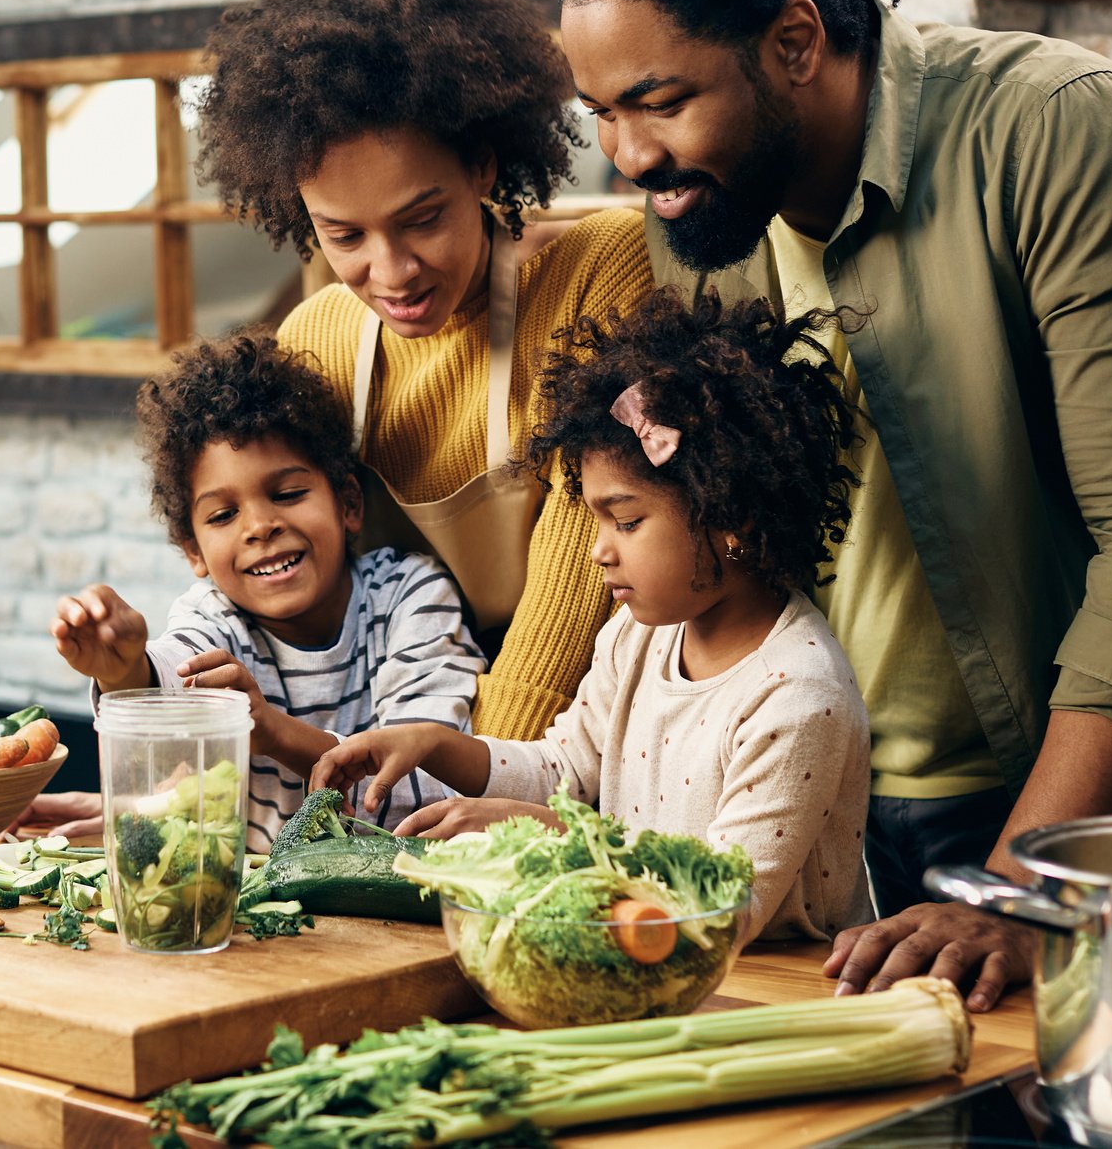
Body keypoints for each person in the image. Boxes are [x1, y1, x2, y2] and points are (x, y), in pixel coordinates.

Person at [550, 0, 1112, 1009]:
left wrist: (1012, 888)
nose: (625, 153)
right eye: (597, 111)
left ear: (794, 40)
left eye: (655, 100)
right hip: (850, 775)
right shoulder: (698, 206)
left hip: (1093, 777)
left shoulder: (1055, 130)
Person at [196, 0, 653, 743]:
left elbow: (576, 569)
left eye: (422, 219)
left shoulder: (597, 275)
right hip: (402, 737)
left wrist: (482, 781)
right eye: (344, 236)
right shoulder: (319, 338)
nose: (392, 271)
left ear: (481, 167)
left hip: (589, 730)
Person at [313, 291, 874, 942]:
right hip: (643, 969)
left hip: (772, 994)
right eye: (595, 519)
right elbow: (562, 772)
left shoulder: (797, 697)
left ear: (731, 518)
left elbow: (721, 907)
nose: (597, 550)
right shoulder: (637, 635)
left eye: (627, 521)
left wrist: (564, 841)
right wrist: (435, 745)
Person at [49, 332, 486, 850]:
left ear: (348, 502)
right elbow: (167, 683)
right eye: (223, 515)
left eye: (288, 494)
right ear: (193, 550)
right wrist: (122, 670)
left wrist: (275, 732)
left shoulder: (412, 595)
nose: (259, 526)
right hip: (262, 907)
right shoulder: (213, 618)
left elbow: (432, 786)